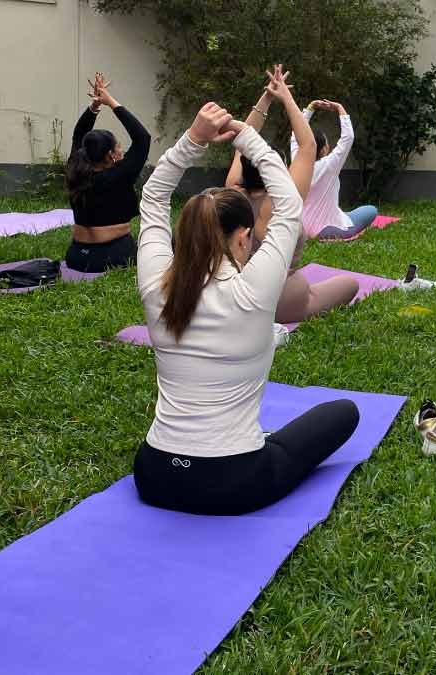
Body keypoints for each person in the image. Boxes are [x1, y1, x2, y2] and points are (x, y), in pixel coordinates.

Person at [132, 101, 359, 516]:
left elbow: (153, 195)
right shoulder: (254, 291)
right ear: (242, 238)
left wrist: (193, 139)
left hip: (155, 474)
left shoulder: (155, 285)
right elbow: (289, 203)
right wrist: (243, 134)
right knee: (342, 413)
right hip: (235, 482)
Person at [225, 66, 357, 324]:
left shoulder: (232, 192)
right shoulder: (286, 198)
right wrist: (286, 97)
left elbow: (242, 140)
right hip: (282, 299)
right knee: (349, 284)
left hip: (237, 296)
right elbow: (307, 145)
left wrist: (266, 98)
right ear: (278, 168)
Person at [64, 72, 151, 273]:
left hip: (76, 256)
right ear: (110, 155)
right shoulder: (119, 176)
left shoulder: (75, 170)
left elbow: (79, 134)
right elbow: (142, 138)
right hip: (113, 257)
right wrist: (110, 101)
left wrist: (95, 106)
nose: (122, 150)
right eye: (118, 146)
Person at [289, 99, 378, 241]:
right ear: (324, 149)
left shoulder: (297, 160)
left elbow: (295, 137)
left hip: (300, 228)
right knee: (371, 210)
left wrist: (310, 108)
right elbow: (348, 138)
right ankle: (336, 232)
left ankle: (340, 219)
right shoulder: (329, 165)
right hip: (326, 229)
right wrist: (341, 109)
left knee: (345, 214)